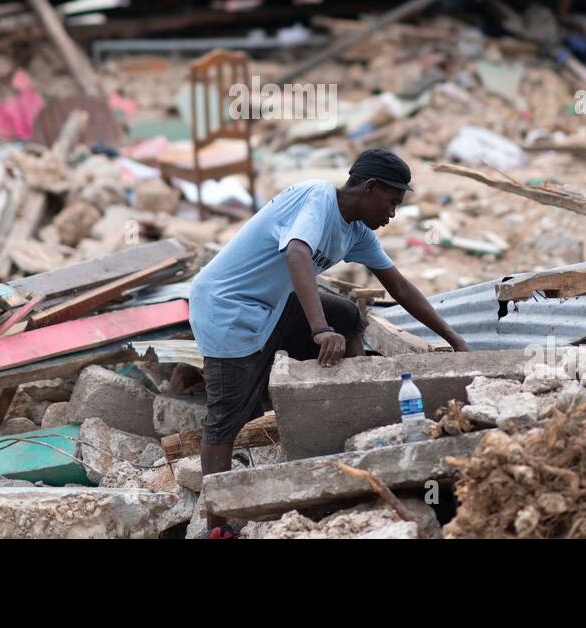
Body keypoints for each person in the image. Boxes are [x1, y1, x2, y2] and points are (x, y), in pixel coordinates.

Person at [188, 147, 469, 538]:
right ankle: (216, 526)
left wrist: (455, 340)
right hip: (227, 308)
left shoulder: (357, 231)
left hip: (272, 306)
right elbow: (298, 254)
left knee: (347, 315)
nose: (391, 215)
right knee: (226, 420)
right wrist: (319, 329)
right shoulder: (318, 197)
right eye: (390, 203)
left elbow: (400, 287)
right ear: (369, 187)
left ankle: (346, 408)